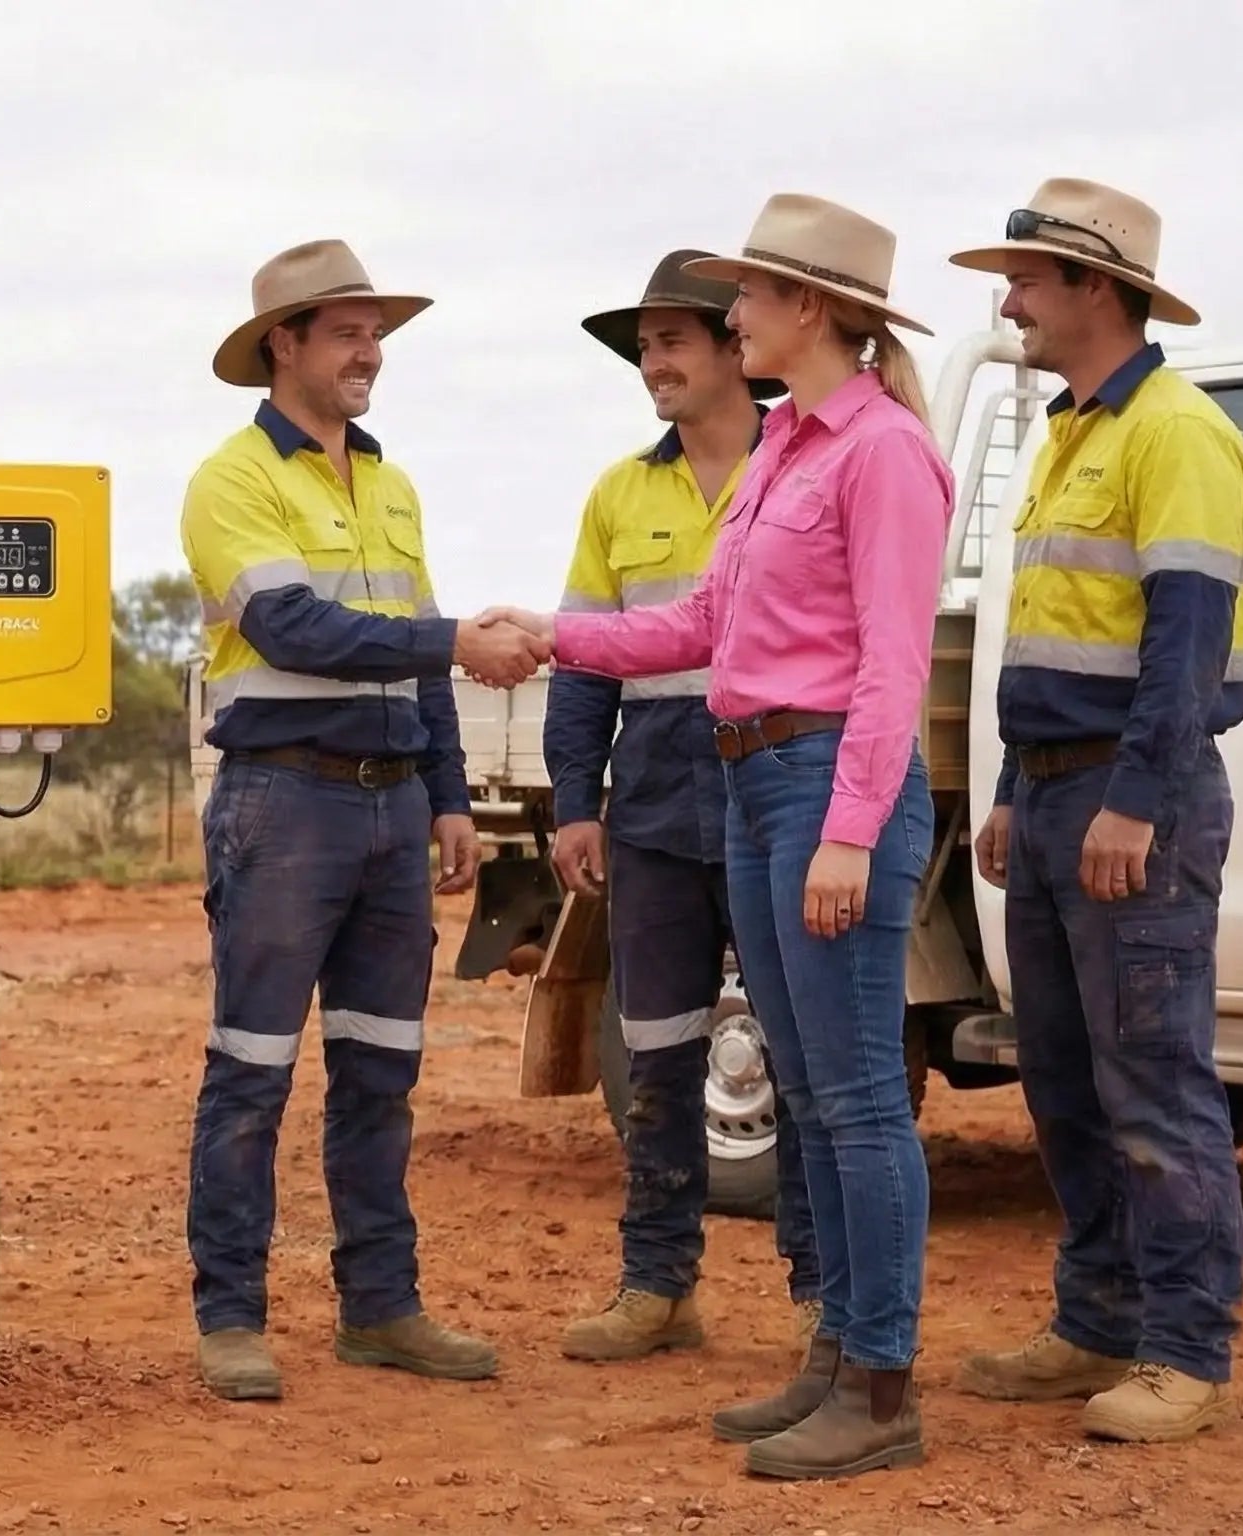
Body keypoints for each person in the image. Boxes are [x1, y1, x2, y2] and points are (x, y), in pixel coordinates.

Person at [484, 194, 951, 1479]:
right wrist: (556, 634)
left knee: (857, 1101)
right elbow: (698, 626)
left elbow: (894, 664)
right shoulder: (789, 448)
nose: (728, 312)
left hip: (818, 787)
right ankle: (839, 1358)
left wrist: (852, 829)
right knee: (810, 1087)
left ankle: (882, 1383)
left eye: (745, 296)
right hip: (751, 785)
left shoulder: (882, 452)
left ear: (811, 309)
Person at [178, 238, 547, 1403]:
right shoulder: (232, 481)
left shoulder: (391, 485)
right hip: (281, 805)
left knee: (380, 1073)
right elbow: (296, 631)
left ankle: (381, 1309)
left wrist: (449, 798)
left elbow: (414, 656)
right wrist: (450, 643)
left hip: (392, 817)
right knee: (252, 1070)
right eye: (346, 330)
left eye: (376, 332)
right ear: (282, 344)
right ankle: (231, 1317)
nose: (370, 352)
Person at [945, 180, 1243, 1444]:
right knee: (1066, 1080)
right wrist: (1020, 788)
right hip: (1061, 796)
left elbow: (1182, 645)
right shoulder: (1070, 431)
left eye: (1025, 277)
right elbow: (1060, 635)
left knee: (1156, 1085)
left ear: (1097, 288)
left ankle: (1184, 1351)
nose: (1006, 298)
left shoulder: (1175, 432)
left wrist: (1133, 801)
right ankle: (1095, 1321)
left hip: (1139, 805)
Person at [548, 251, 825, 1364]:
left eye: (671, 342)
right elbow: (582, 665)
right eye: (643, 348)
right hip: (657, 804)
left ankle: (822, 1299)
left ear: (732, 348)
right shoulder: (620, 490)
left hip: (776, 787)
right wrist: (577, 802)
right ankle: (657, 1286)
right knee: (659, 1051)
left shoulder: (802, 465)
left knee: (801, 1056)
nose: (652, 364)